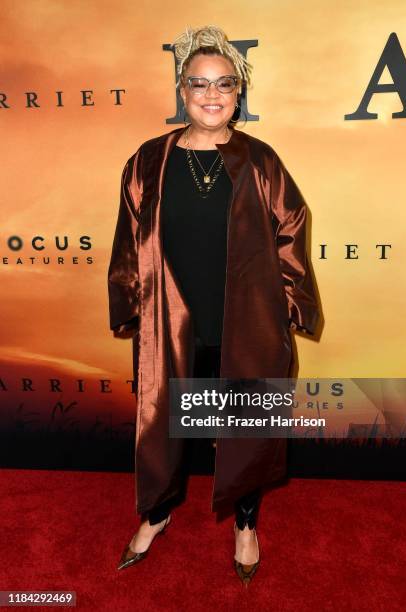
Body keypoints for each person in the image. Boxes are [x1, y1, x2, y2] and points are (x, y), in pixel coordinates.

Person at [108, 24, 320, 585]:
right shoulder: (148, 161)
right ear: (181, 89)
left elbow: (291, 230)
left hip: (243, 324)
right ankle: (157, 513)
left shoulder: (260, 160)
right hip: (172, 323)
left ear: (238, 92)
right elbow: (129, 236)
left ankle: (245, 524)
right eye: (199, 83)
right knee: (167, 426)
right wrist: (129, 299)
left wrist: (294, 302)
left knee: (245, 428)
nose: (211, 94)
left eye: (224, 83)